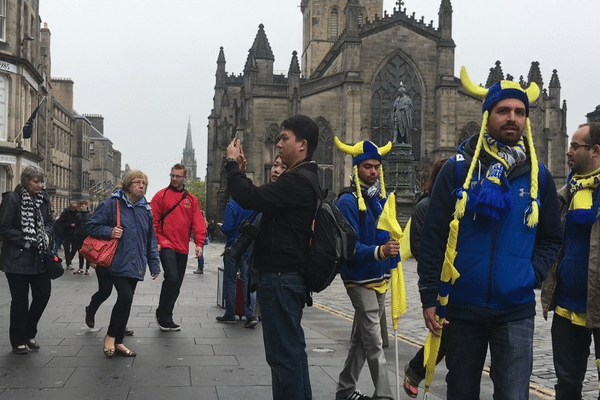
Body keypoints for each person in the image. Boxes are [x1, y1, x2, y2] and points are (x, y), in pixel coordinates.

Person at [417, 67, 563, 399]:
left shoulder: (540, 176)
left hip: (515, 310)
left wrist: (530, 275)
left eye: (519, 112)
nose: (512, 118)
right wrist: (429, 297)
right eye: (503, 110)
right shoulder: (457, 170)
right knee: (462, 392)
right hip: (462, 309)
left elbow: (552, 237)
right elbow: (433, 238)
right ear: (487, 116)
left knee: (513, 394)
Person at [225, 114, 319, 399]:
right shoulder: (302, 178)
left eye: (284, 138)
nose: (278, 144)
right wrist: (241, 175)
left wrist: (232, 165)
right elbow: (259, 196)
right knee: (292, 352)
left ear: (302, 145)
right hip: (286, 276)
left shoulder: (298, 182)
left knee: (282, 357)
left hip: (280, 276)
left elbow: (251, 198)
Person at [333, 138, 398, 400]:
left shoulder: (378, 198)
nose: (373, 171)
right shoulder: (348, 202)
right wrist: (380, 251)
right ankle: (384, 395)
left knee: (361, 339)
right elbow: (350, 247)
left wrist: (393, 245)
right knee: (374, 341)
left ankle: (345, 388)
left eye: (376, 167)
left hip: (378, 277)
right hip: (359, 279)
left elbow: (382, 234)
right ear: (356, 168)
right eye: (368, 166)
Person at [541, 122, 600, 399]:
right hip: (566, 308)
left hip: (598, 308)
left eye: (575, 146)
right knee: (566, 387)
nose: (568, 152)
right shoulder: (565, 195)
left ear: (595, 151)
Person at [86, 170, 160, 357]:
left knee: (127, 301)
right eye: (137, 182)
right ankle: (110, 336)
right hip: (115, 261)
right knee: (125, 297)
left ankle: (119, 342)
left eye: (144, 183)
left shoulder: (146, 210)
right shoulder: (113, 204)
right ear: (128, 185)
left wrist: (154, 264)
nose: (141, 186)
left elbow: (150, 239)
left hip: (136, 263)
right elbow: (91, 225)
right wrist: (109, 231)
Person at [216, 155, 287, 327]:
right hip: (250, 251)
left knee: (231, 281)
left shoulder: (232, 206)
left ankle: (230, 313)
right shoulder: (256, 204)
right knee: (249, 283)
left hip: (233, 249)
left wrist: (221, 227)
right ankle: (251, 315)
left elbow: (226, 228)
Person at [402, 158, 447, 398]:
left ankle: (418, 371)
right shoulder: (425, 206)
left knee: (454, 335)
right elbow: (420, 247)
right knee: (446, 334)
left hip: (461, 280)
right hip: (440, 280)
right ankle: (417, 370)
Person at [0, 166, 54, 355]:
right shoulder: (12, 199)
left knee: (43, 295)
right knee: (20, 301)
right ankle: (18, 340)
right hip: (16, 259)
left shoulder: (43, 199)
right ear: (26, 181)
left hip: (39, 258)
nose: (39, 185)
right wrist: (28, 241)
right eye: (35, 181)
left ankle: (29, 332)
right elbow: (4, 228)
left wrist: (45, 236)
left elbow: (49, 222)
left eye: (41, 181)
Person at [152, 164, 206, 331]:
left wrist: (199, 244)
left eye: (178, 176)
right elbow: (152, 221)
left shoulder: (191, 199)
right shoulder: (160, 196)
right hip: (166, 243)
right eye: (172, 175)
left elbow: (197, 222)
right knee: (172, 277)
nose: (174, 179)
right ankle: (164, 317)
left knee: (177, 283)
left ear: (185, 178)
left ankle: (164, 311)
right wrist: (157, 241)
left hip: (182, 246)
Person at [57, 201, 79, 270]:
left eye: (75, 205)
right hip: (66, 233)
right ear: (70, 205)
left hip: (75, 233)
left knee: (75, 248)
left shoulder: (77, 213)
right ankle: (68, 263)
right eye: (73, 205)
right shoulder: (65, 212)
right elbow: (60, 222)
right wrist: (69, 225)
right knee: (67, 249)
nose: (74, 206)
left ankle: (69, 259)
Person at [74, 200, 91, 275]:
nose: (82, 207)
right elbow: (76, 225)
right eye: (81, 206)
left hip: (87, 236)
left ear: (87, 206)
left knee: (88, 253)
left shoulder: (90, 215)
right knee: (80, 252)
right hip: (79, 235)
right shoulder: (78, 215)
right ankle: (81, 267)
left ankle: (87, 268)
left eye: (84, 205)